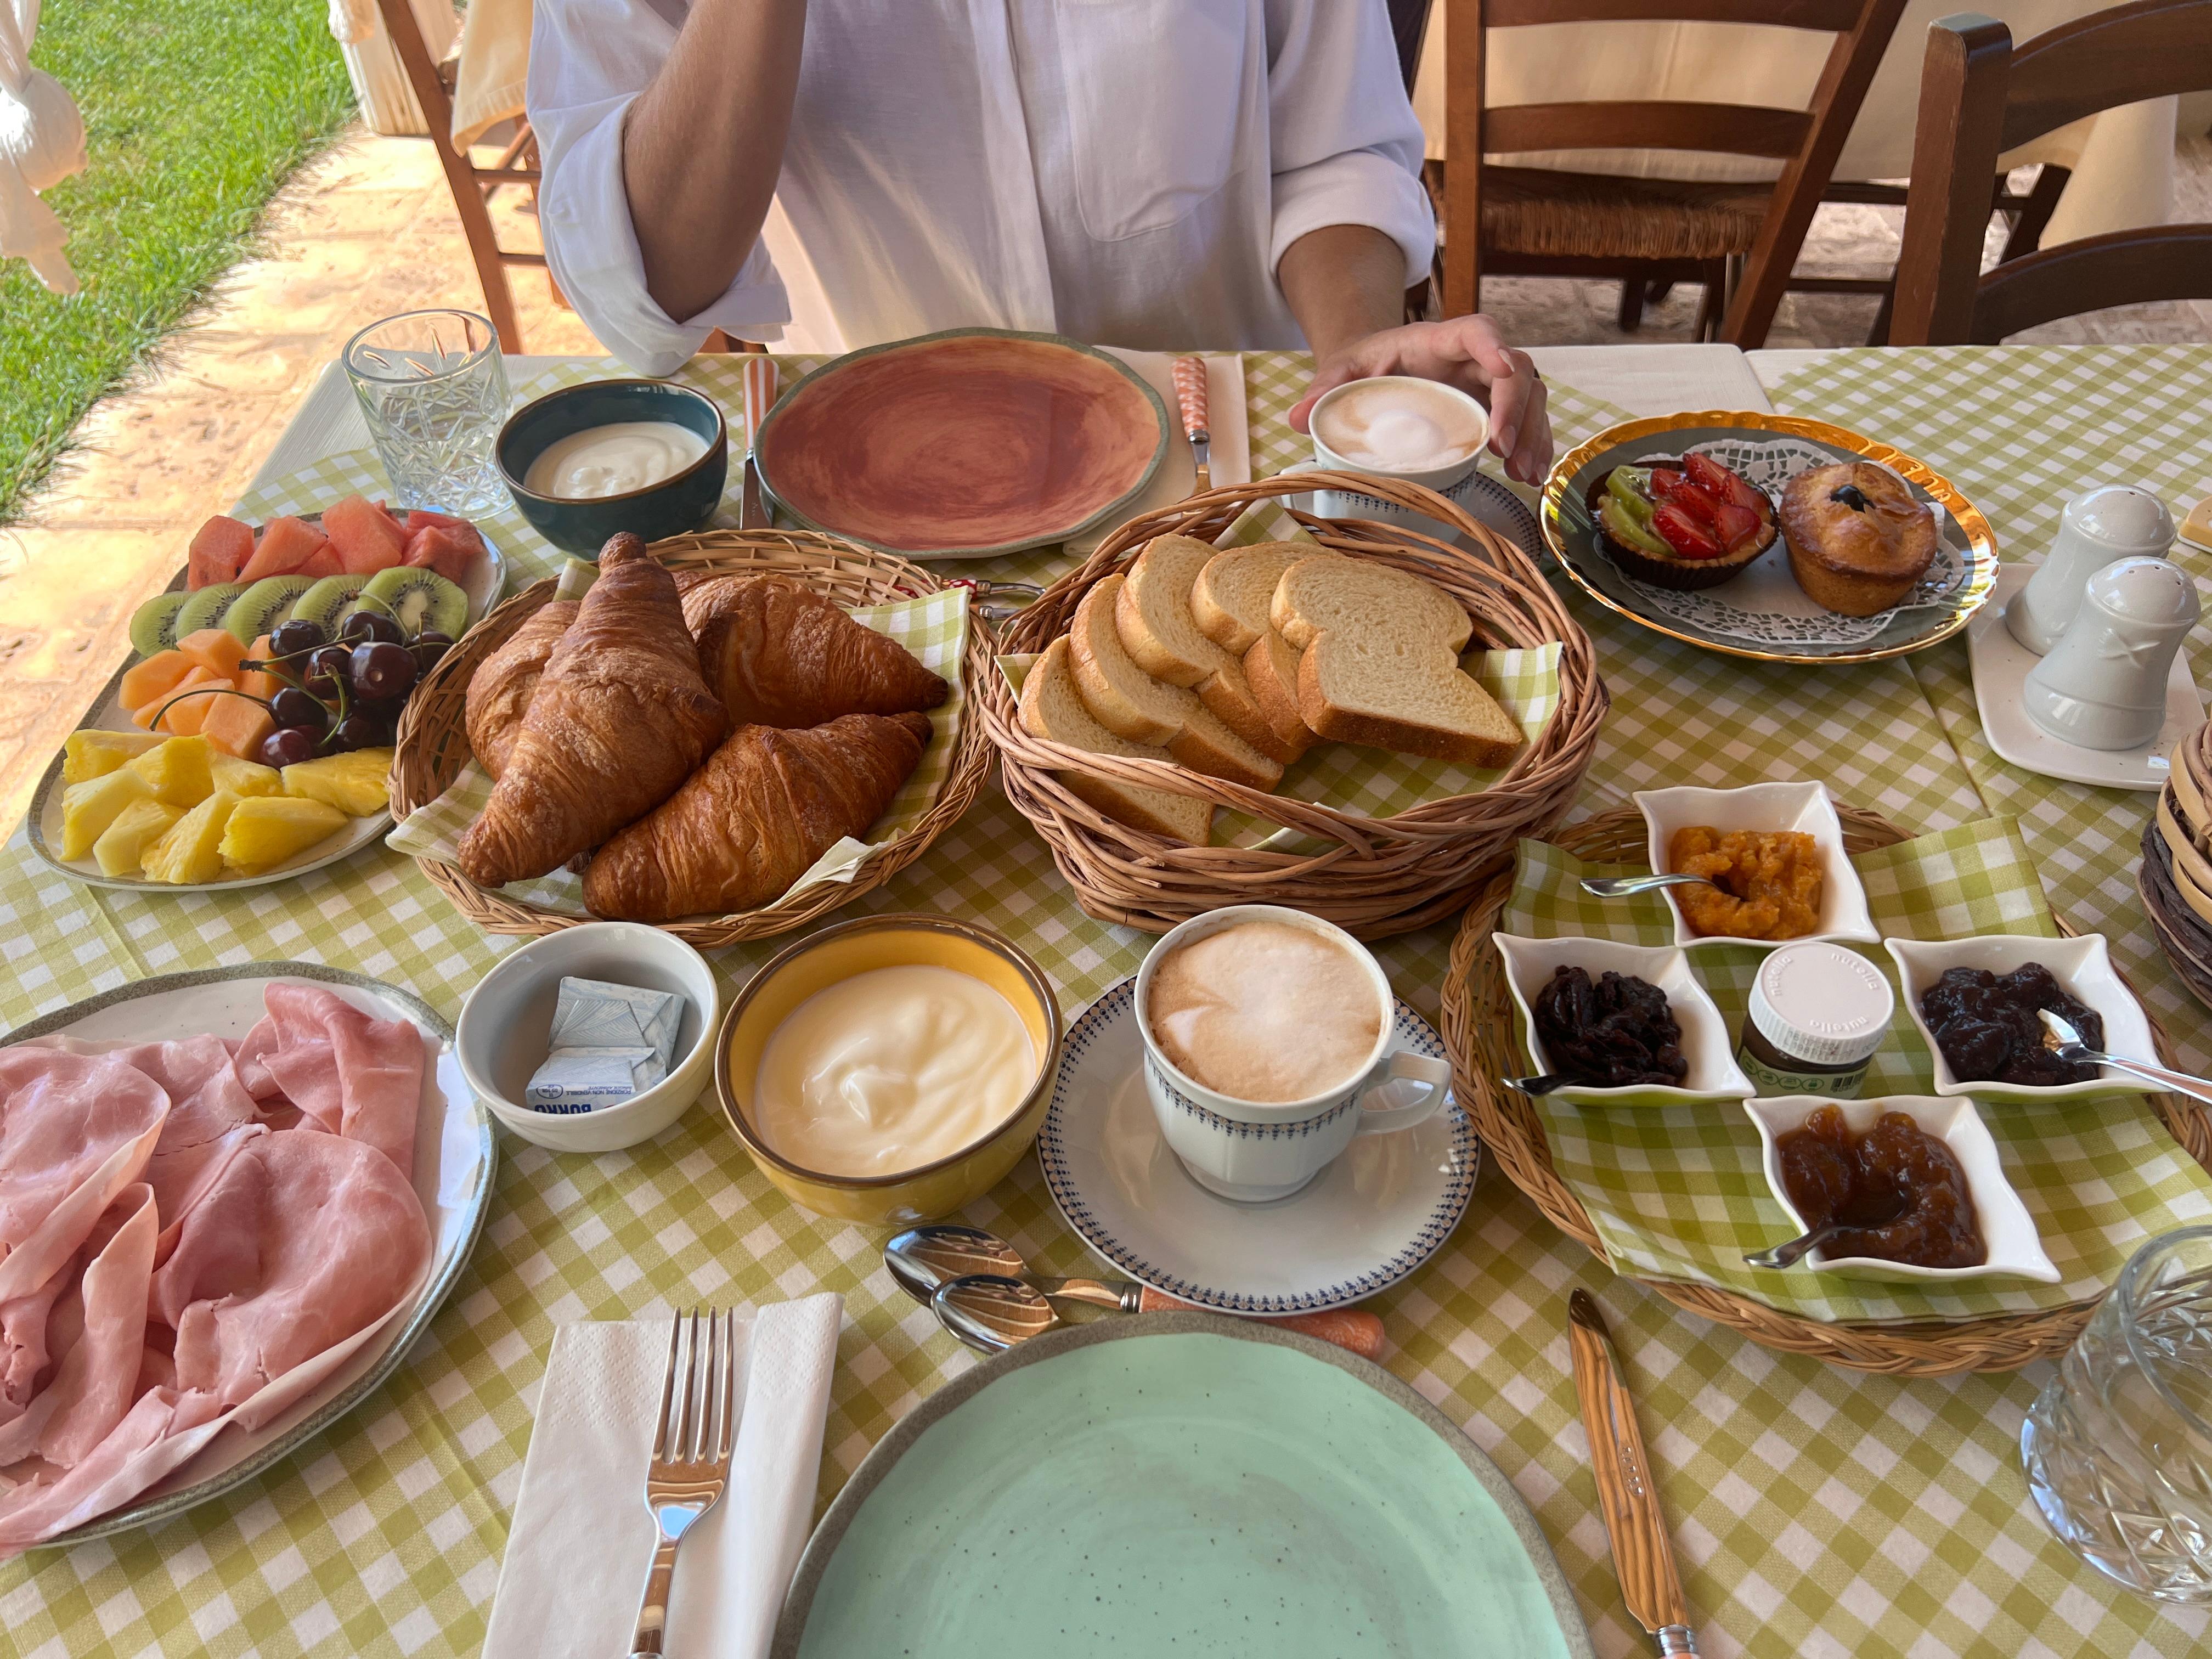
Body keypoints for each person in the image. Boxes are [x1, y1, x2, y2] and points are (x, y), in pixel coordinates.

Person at [529, 0, 1553, 482]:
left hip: (1222, 465)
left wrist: (1357, 361)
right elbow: (647, 289)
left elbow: (1334, 147)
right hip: (870, 492)